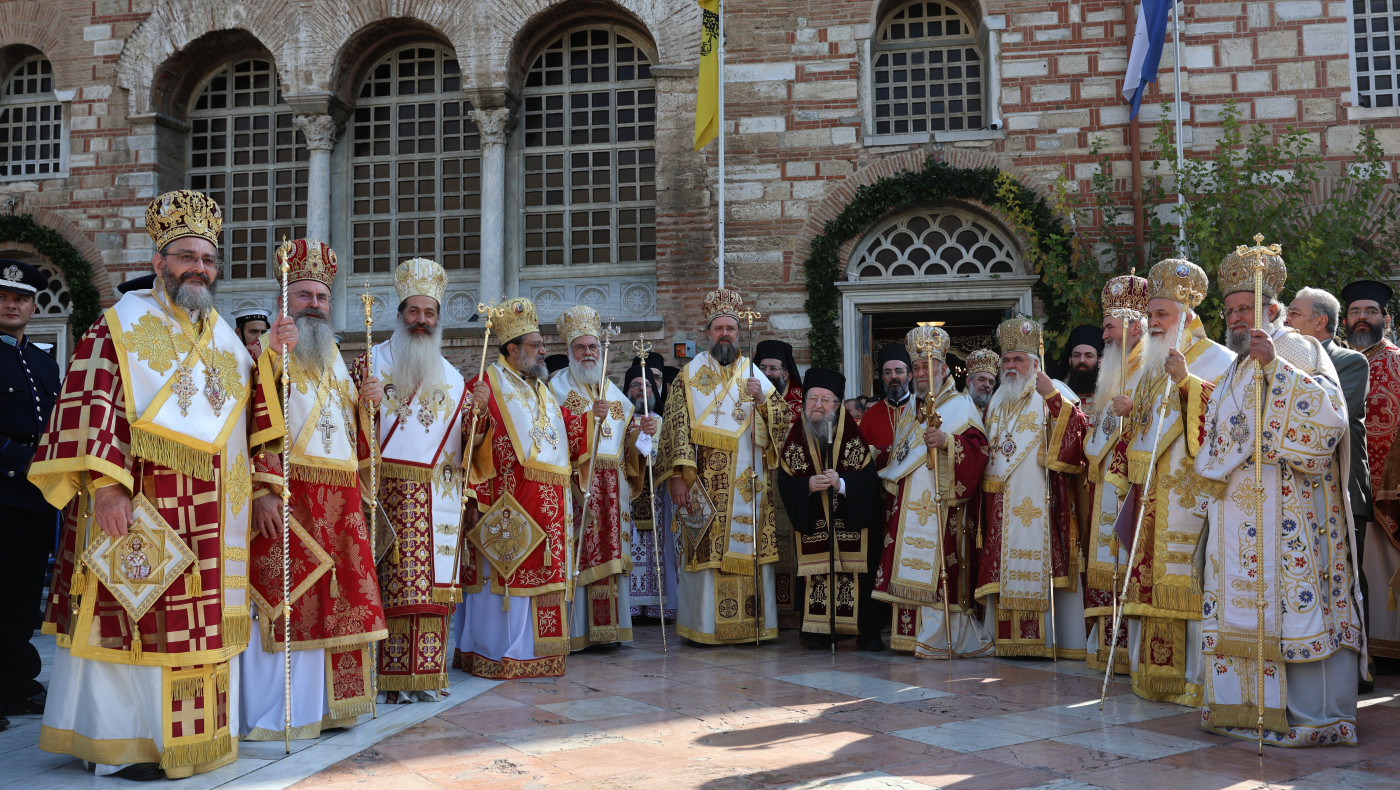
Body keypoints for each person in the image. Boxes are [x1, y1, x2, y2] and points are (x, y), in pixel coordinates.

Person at [29, 189, 294, 779]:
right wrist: (105, 487)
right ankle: (129, 741)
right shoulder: (117, 327)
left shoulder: (226, 337)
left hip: (217, 515)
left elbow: (256, 416)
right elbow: (93, 405)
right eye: (186, 257)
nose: (199, 268)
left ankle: (196, 740)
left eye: (207, 259)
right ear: (159, 261)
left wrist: (267, 483)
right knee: (137, 613)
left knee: (198, 621)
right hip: (147, 504)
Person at [1197, 244, 1364, 746]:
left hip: (1293, 507)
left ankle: (1305, 714)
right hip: (1238, 511)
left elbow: (1330, 422)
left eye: (1245, 308)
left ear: (1273, 310)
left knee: (1294, 603)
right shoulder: (1232, 367)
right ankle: (1242, 706)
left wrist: (1277, 372)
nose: (1235, 317)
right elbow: (1216, 431)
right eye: (1229, 311)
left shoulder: (1300, 350)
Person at [241, 239, 387, 739]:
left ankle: (331, 706)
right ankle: (283, 713)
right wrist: (263, 490)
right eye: (304, 296)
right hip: (293, 498)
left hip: (342, 502)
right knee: (291, 600)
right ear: (286, 300)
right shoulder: (267, 357)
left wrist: (369, 408)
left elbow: (353, 442)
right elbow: (253, 424)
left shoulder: (336, 364)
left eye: (322, 298)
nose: (315, 306)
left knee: (340, 603)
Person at [1113, 259, 1234, 703]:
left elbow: (1230, 420)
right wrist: (1131, 414)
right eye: (1150, 316)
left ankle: (1192, 679)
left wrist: (1187, 383)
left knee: (1189, 580)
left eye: (1161, 315)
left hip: (1192, 491)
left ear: (1187, 315)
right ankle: (1151, 676)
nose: (1153, 323)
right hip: (1151, 492)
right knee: (1147, 578)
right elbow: (1148, 430)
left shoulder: (1220, 358)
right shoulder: (1149, 362)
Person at [352, 258, 465, 700]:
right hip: (385, 494)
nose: (422, 320)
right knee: (389, 587)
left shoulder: (453, 379)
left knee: (432, 592)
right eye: (414, 312)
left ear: (438, 320)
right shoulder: (370, 362)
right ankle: (388, 678)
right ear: (399, 315)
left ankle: (427, 675)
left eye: (429, 313)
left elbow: (469, 445)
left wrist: (479, 418)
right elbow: (342, 428)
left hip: (439, 497)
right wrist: (365, 404)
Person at [458, 297, 586, 677]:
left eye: (542, 344)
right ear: (512, 350)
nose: (544, 351)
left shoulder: (541, 390)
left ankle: (540, 652)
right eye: (535, 345)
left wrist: (591, 421)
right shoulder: (485, 383)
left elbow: (566, 434)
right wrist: (474, 414)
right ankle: (499, 652)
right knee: (507, 575)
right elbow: (463, 444)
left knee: (542, 576)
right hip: (506, 502)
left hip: (549, 505)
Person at [659, 289, 787, 645]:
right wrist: (677, 479)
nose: (727, 333)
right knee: (707, 549)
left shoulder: (755, 375)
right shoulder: (688, 376)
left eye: (731, 327)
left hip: (750, 483)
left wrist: (762, 400)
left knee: (749, 549)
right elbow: (675, 429)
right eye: (720, 328)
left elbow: (783, 424)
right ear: (708, 333)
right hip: (703, 482)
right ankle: (705, 628)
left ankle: (752, 627)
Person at [873, 325, 990, 657]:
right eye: (919, 367)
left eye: (929, 366)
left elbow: (980, 451)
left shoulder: (962, 405)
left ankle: (938, 635)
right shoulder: (912, 410)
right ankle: (909, 635)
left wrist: (948, 442)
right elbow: (901, 458)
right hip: (909, 503)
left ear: (943, 368)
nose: (923, 373)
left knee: (941, 568)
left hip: (944, 506)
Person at [977, 316, 1089, 658]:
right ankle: (1007, 641)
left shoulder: (1052, 389)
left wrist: (1053, 398)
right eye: (1007, 360)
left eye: (1018, 360)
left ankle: (1047, 641)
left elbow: (1079, 433)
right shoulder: (997, 400)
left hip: (1041, 498)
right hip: (1000, 503)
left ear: (1034, 363)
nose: (1011, 366)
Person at [550, 305, 654, 650]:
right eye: (581, 347)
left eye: (593, 347)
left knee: (611, 558)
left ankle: (612, 632)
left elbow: (630, 446)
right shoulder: (558, 389)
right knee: (580, 556)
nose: (589, 353)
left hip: (615, 490)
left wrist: (645, 432)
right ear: (570, 353)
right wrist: (583, 421)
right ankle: (578, 633)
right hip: (579, 488)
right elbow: (550, 436)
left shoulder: (613, 391)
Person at [1289, 286, 1373, 688]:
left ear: (1319, 322)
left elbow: (1338, 412)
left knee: (1349, 575)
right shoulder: (1285, 356)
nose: (1286, 320)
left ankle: (1358, 668)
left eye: (1294, 313)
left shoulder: (1350, 361)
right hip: (1297, 487)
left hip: (1343, 485)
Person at [776, 367, 881, 650]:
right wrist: (806, 486)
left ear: (837, 405)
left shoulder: (852, 435)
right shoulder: (795, 437)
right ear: (804, 403)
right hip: (815, 525)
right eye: (812, 399)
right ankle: (819, 632)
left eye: (826, 399)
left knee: (858, 575)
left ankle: (863, 631)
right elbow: (785, 481)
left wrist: (843, 483)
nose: (818, 405)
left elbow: (870, 482)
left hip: (849, 523)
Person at [0, 260, 60, 731]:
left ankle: (18, 685)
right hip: (1, 490)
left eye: (20, 298)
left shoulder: (43, 361)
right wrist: (17, 458)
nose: (11, 304)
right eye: (3, 296)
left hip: (38, 498)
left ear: (33, 305)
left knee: (23, 597)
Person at [1079, 275, 1148, 674]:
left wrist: (1134, 411)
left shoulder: (1149, 367)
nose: (1103, 333)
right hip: (1104, 477)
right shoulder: (1115, 366)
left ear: (1133, 326)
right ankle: (1108, 647)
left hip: (1132, 480)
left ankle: (1128, 650)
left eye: (1109, 326)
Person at [1341, 279, 1400, 664]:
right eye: (1355, 312)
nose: (1362, 319)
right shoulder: (1340, 360)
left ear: (1386, 319)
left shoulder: (1395, 359)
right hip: (1352, 484)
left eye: (1371, 312)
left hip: (1389, 489)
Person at [754, 339, 804, 628]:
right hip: (757, 484)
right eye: (763, 368)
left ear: (786, 372)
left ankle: (790, 611)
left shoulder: (800, 402)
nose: (769, 373)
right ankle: (765, 610)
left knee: (790, 546)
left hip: (790, 484)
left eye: (774, 368)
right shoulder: (747, 399)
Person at [623, 353, 676, 622]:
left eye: (646, 386)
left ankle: (657, 607)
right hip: (628, 498)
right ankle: (631, 606)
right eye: (634, 386)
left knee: (660, 549)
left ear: (655, 390)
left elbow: (666, 457)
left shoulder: (664, 423)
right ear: (627, 391)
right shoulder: (619, 421)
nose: (641, 390)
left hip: (659, 499)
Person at [861, 344, 912, 468]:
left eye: (899, 371)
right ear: (883, 378)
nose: (893, 376)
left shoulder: (924, 409)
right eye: (888, 372)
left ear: (909, 376)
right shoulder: (870, 416)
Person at [1063, 324, 1104, 409]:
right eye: (1077, 355)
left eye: (1088, 356)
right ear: (1070, 361)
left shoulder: (1109, 397)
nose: (1081, 360)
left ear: (1100, 362)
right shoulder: (1061, 395)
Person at [964, 348, 999, 414]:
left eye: (991, 382)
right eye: (982, 379)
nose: (987, 385)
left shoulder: (993, 413)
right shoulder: (956, 406)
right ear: (968, 381)